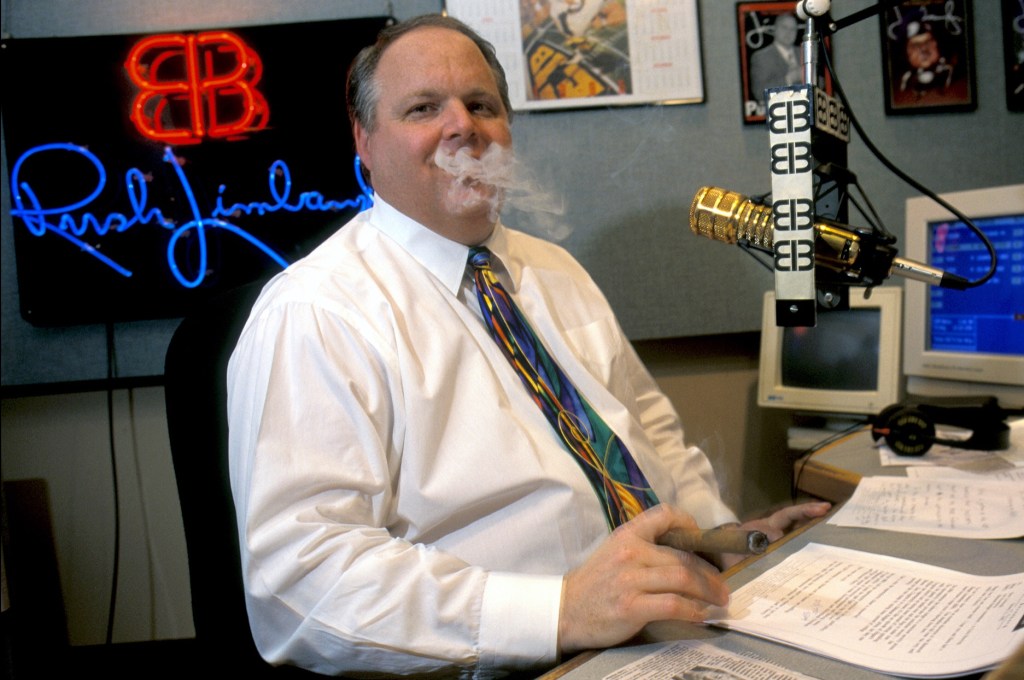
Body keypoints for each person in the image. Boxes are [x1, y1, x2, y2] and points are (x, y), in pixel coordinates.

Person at [227, 13, 830, 676]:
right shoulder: (316, 312)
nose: (462, 126)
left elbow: (652, 438)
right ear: (364, 140)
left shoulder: (554, 270)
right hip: (516, 663)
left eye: (481, 105)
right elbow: (303, 583)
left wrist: (722, 541)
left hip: (672, 629)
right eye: (424, 108)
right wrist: (559, 611)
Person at [749, 13, 802, 105]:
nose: (789, 32)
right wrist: (788, 79)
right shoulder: (761, 57)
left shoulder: (805, 52)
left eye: (793, 29)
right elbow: (759, 92)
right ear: (775, 29)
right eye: (784, 28)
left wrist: (808, 75)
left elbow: (822, 82)